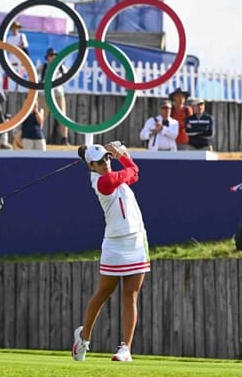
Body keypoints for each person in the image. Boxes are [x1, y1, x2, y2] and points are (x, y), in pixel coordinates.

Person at [72, 142, 150, 362]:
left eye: (107, 159)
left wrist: (122, 156)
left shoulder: (114, 176)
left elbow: (133, 176)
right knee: (103, 293)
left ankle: (126, 349)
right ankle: (84, 338)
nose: (106, 163)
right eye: (100, 161)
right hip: (115, 244)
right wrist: (124, 156)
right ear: (91, 166)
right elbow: (133, 172)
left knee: (130, 296)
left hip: (136, 240)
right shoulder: (103, 182)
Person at [38, 48, 69, 145]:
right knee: (41, 115)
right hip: (45, 94)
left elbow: (68, 76)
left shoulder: (61, 67)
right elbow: (34, 75)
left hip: (58, 94)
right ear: (47, 57)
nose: (53, 57)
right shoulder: (42, 67)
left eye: (55, 55)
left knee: (62, 117)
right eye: (51, 55)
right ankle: (37, 135)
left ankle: (64, 139)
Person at [4, 21, 29, 92]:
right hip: (12, 60)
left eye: (16, 28)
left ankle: (19, 89)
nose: (14, 29)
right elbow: (7, 48)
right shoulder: (9, 38)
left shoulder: (22, 36)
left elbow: (24, 45)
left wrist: (16, 47)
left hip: (20, 60)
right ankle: (11, 89)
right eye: (13, 28)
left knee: (21, 76)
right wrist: (16, 48)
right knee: (10, 76)